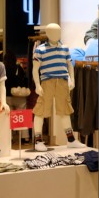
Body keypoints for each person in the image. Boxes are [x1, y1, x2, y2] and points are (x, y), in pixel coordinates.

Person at [32, 22, 77, 151]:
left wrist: (71, 80)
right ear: (47, 34)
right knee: (40, 110)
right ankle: (38, 140)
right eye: (53, 32)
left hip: (62, 81)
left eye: (58, 32)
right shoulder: (40, 49)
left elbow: (69, 65)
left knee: (65, 109)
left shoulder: (65, 48)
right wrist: (37, 85)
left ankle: (71, 139)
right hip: (47, 81)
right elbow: (35, 69)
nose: (56, 35)